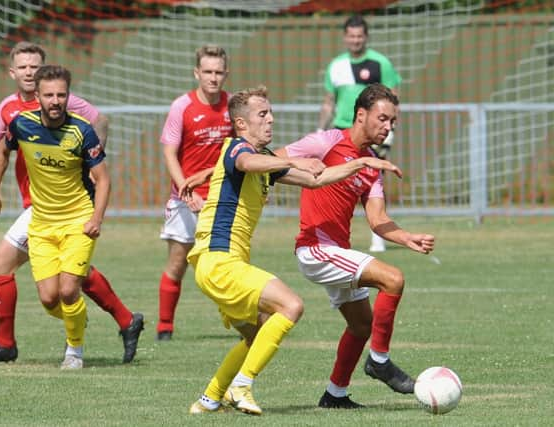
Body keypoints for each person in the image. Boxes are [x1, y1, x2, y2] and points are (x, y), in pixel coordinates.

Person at [182, 85, 402, 415]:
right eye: (263, 114)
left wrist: (362, 163)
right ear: (242, 123)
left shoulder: (265, 159)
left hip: (221, 264)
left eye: (271, 112)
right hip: (219, 261)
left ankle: (210, 399)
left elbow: (316, 179)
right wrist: (299, 159)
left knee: (256, 334)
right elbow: (245, 162)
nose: (271, 119)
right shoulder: (235, 147)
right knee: (291, 305)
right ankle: (242, 386)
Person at [0, 42, 143, 365]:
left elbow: (99, 123)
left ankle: (13, 343)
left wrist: (91, 161)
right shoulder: (11, 111)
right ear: (13, 72)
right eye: (23, 67)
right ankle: (125, 319)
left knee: (8, 267)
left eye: (35, 65)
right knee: (65, 282)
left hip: (62, 205)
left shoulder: (63, 103)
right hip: (37, 208)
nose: (30, 72)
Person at [277, 83, 435, 408]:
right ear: (361, 114)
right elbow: (273, 161)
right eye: (383, 118)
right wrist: (305, 166)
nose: (388, 127)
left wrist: (408, 238)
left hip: (337, 252)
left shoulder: (372, 163)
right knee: (393, 279)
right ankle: (379, 361)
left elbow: (377, 219)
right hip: (315, 249)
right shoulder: (327, 141)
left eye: (393, 122)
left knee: (362, 325)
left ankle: (334, 396)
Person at [0, 65, 110, 369]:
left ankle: (74, 352)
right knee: (50, 299)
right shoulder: (22, 125)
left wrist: (96, 219)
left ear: (68, 96)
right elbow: (1, 150)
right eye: (49, 95)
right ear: (37, 96)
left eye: (61, 95)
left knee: (68, 290)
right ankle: (77, 319)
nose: (56, 101)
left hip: (78, 220)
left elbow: (103, 179)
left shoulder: (82, 130)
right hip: (40, 224)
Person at [156, 45, 232, 341]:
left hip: (221, 198)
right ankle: (164, 327)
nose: (213, 78)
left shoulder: (233, 106)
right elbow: (169, 153)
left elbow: (242, 151)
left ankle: (240, 319)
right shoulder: (181, 107)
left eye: (219, 72)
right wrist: (186, 191)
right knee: (178, 262)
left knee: (226, 263)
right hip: (185, 199)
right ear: (197, 73)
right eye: (208, 72)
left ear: (226, 73)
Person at [317, 14, 402, 253]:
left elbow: (394, 98)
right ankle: (332, 236)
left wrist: (390, 129)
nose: (355, 41)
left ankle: (380, 234)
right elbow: (328, 101)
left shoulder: (380, 63)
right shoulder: (336, 65)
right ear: (345, 38)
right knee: (337, 184)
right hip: (341, 130)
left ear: (366, 37)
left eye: (359, 36)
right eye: (351, 36)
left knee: (373, 182)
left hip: (371, 133)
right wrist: (320, 128)